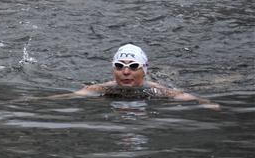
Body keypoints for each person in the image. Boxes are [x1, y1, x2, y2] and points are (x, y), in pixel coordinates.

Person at [51, 44, 219, 108]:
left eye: (133, 67)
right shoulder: (102, 88)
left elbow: (186, 97)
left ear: (143, 70)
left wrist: (207, 103)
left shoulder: (156, 89)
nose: (125, 72)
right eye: (119, 66)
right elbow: (72, 96)